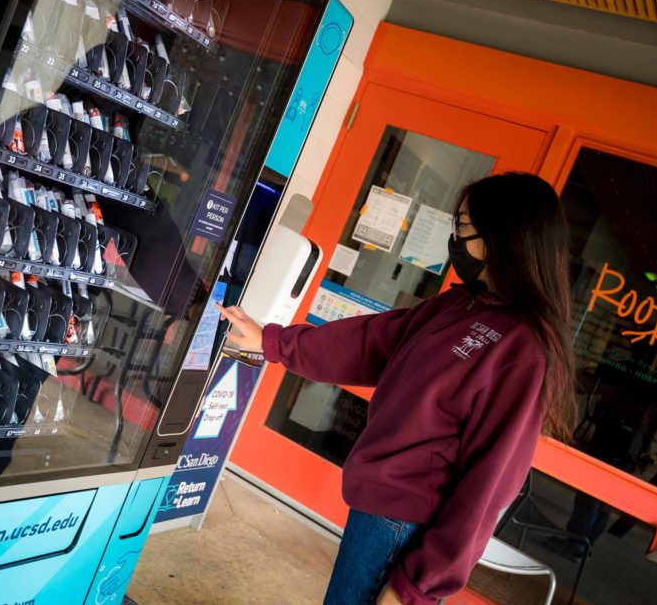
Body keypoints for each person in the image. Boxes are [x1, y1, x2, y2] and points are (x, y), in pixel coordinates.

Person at [219, 172, 576, 605]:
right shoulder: (457, 306)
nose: (454, 240)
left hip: (405, 525)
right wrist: (271, 341)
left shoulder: (522, 350)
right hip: (378, 508)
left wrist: (417, 586)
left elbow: (487, 486)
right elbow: (370, 342)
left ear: (503, 235)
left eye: (462, 228)